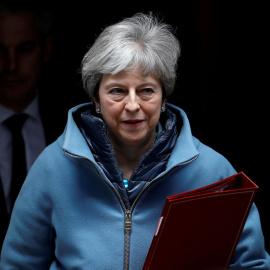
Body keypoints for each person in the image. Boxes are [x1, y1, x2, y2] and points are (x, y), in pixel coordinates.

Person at [1, 13, 269, 269]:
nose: (132, 105)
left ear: (164, 99)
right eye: (117, 91)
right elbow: (18, 264)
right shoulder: (53, 167)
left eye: (146, 91)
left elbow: (250, 264)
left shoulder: (212, 171)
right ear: (96, 99)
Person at [0, 3, 68, 249]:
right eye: (0, 50)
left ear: (46, 49)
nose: (11, 66)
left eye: (24, 49)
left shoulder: (75, 126)